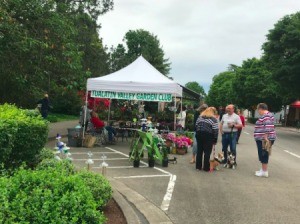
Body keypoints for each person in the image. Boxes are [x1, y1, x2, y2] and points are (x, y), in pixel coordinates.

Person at [254, 103, 276, 178]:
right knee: (263, 153)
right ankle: (263, 169)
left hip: (264, 139)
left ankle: (264, 171)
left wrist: (266, 136)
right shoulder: (268, 115)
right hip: (263, 138)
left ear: (260, 108)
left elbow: (268, 126)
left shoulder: (266, 116)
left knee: (264, 154)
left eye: (258, 109)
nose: (258, 111)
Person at [195, 107, 219, 171]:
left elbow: (196, 126)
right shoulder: (214, 119)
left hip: (199, 134)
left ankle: (198, 167)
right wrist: (215, 140)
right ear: (213, 112)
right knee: (207, 152)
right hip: (208, 135)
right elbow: (215, 130)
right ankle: (206, 167)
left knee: (199, 151)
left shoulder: (200, 118)